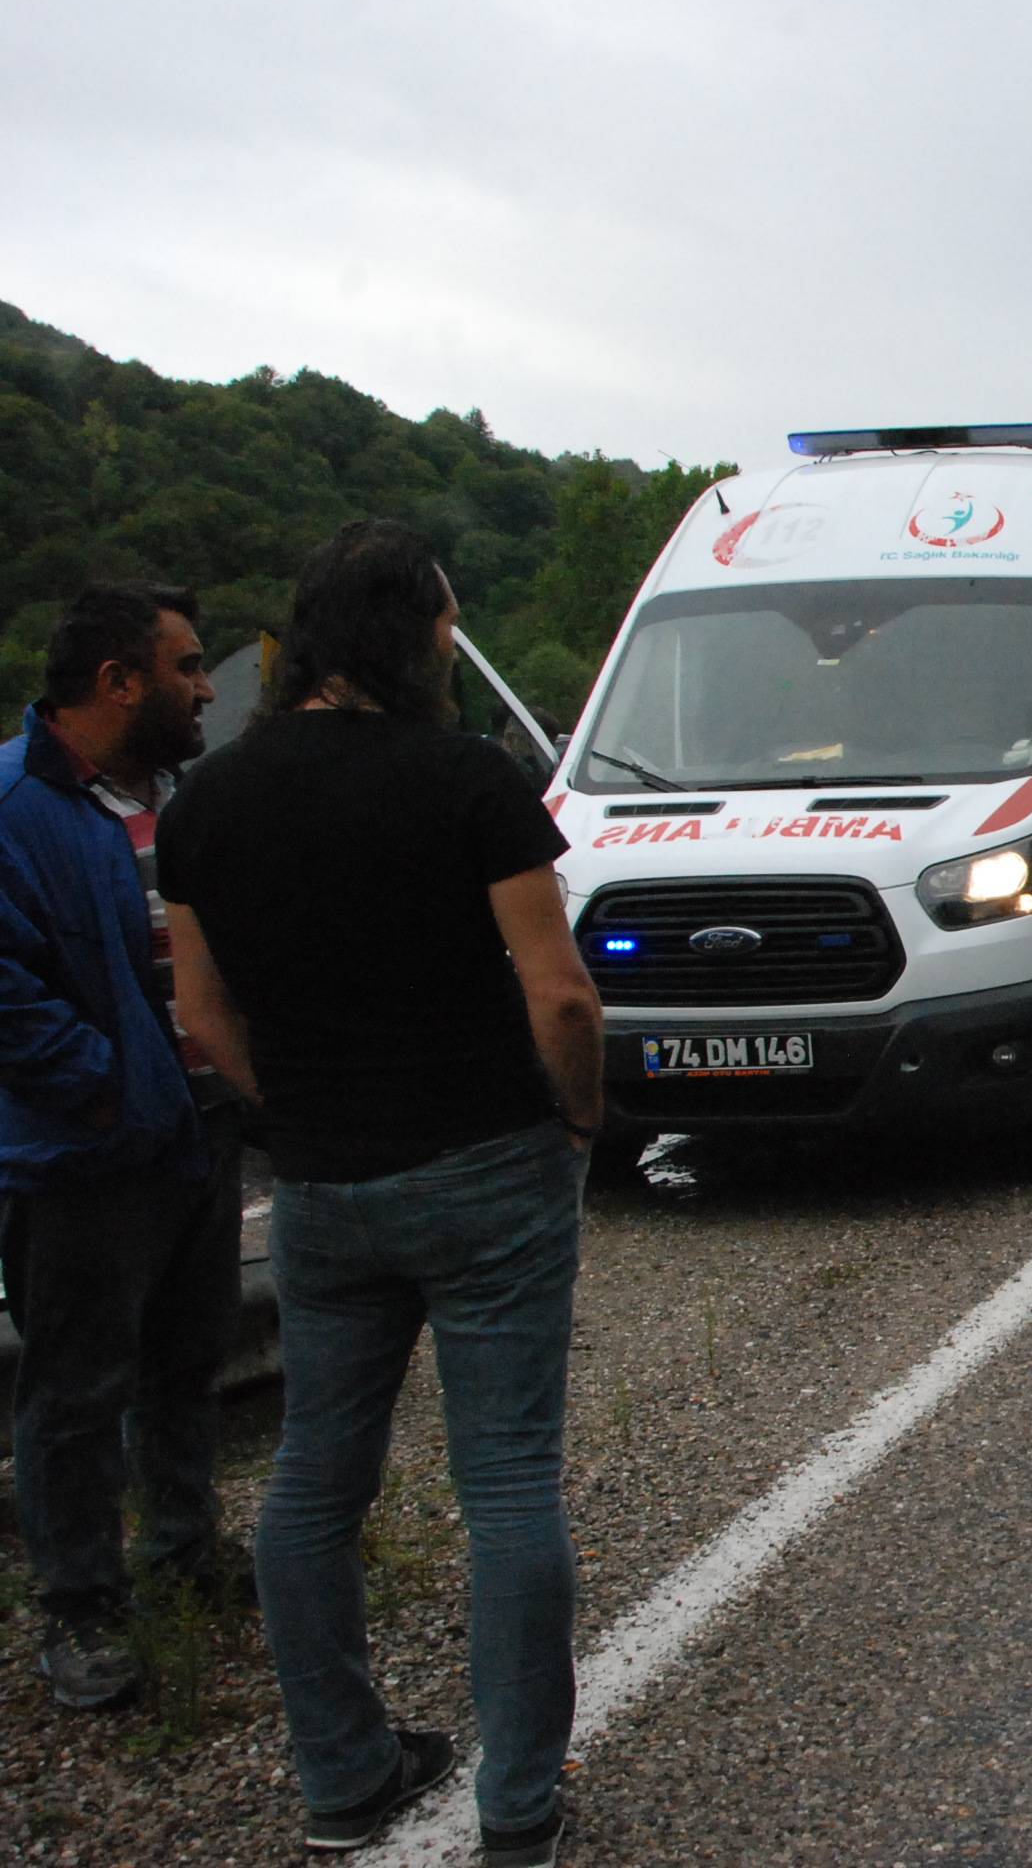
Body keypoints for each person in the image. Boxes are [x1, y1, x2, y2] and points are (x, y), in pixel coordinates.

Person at [158, 521, 602, 1866]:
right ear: (410, 638)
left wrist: (294, 1115)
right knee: (508, 1481)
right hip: (488, 1171)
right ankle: (519, 1805)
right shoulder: (470, 780)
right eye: (448, 632)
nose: (454, 654)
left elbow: (203, 1013)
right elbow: (562, 992)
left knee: (310, 1484)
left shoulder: (204, 808)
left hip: (324, 1183)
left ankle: (345, 1775)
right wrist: (577, 1116)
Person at [0, 583, 228, 1712]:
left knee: (188, 1354)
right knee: (77, 1388)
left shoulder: (184, 796)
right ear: (117, 683)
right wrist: (100, 1090)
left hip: (196, 1131)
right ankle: (79, 1607)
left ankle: (184, 1546)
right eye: (186, 668)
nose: (207, 687)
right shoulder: (13, 802)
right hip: (84, 1155)